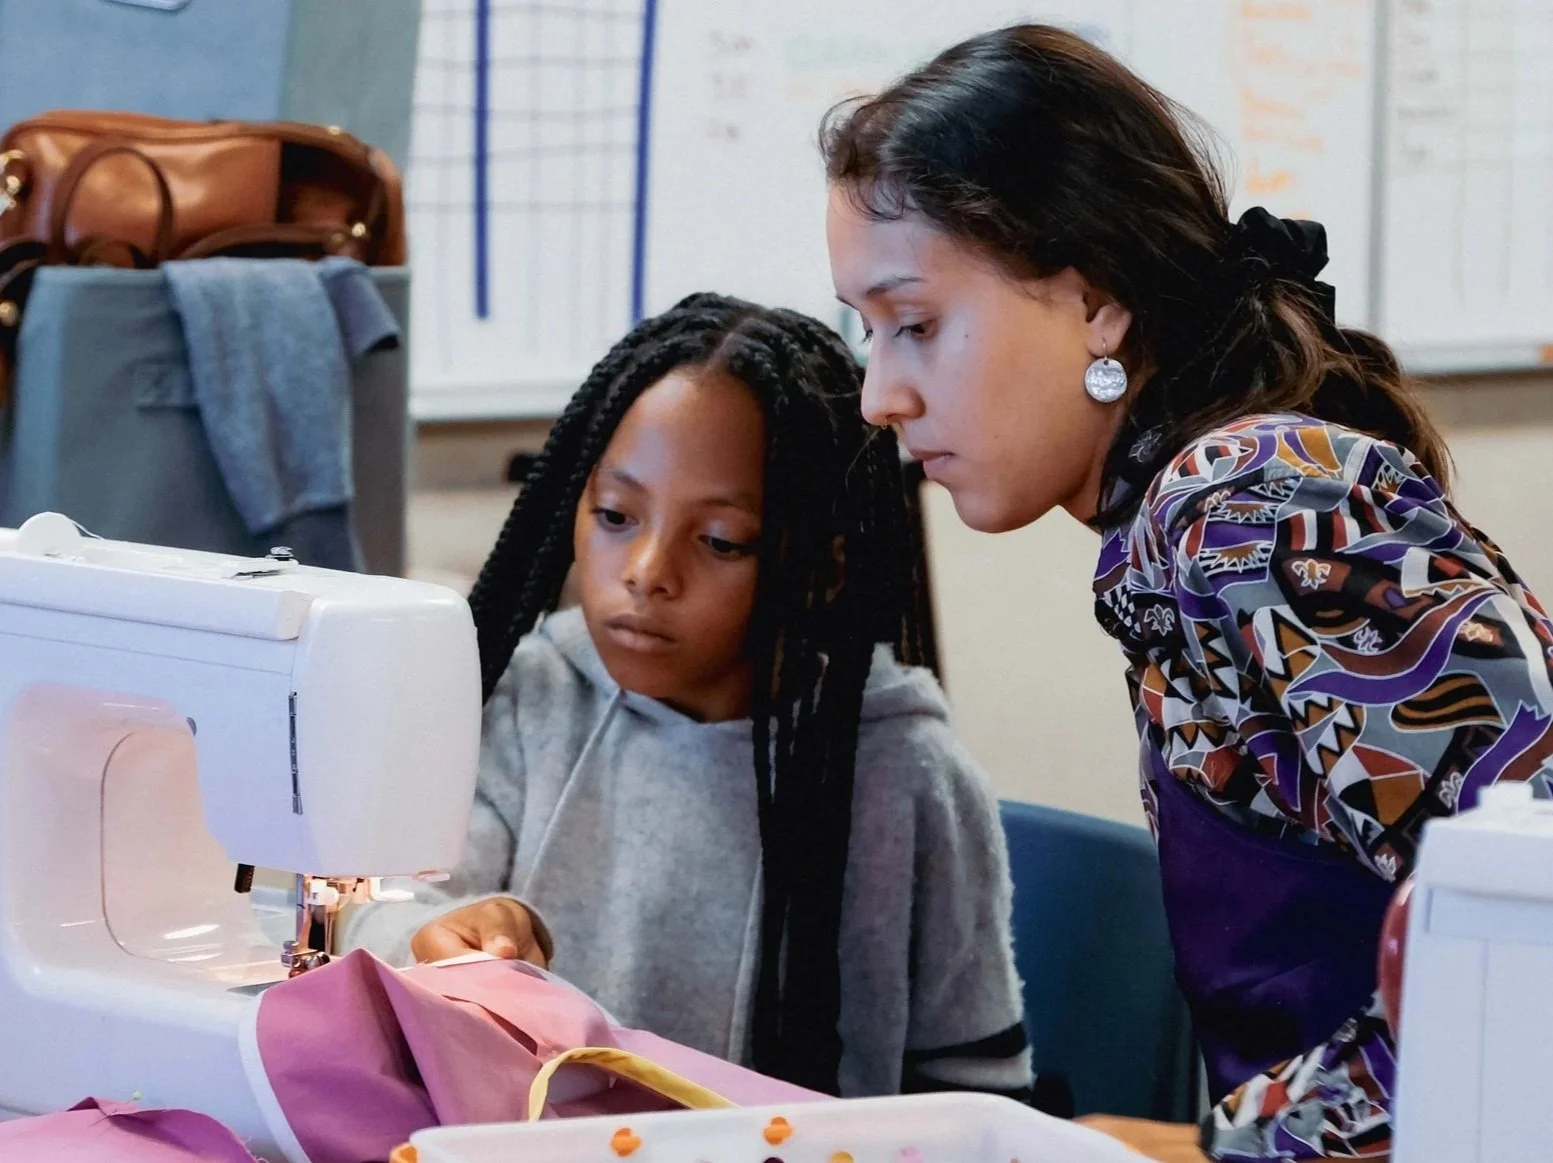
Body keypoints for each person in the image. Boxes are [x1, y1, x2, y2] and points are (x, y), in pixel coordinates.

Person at [823, 24, 1553, 1161]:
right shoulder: (1181, 520)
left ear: (1098, 303)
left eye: (914, 325)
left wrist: (1211, 1150)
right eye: (863, 332)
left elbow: (1529, 962)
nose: (879, 394)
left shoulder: (1248, 504)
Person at [347, 292, 1031, 1102]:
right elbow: (377, 911)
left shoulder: (908, 776)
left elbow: (976, 1087)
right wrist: (431, 932)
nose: (646, 569)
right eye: (613, 514)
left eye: (718, 541)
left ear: (823, 567)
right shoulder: (529, 702)